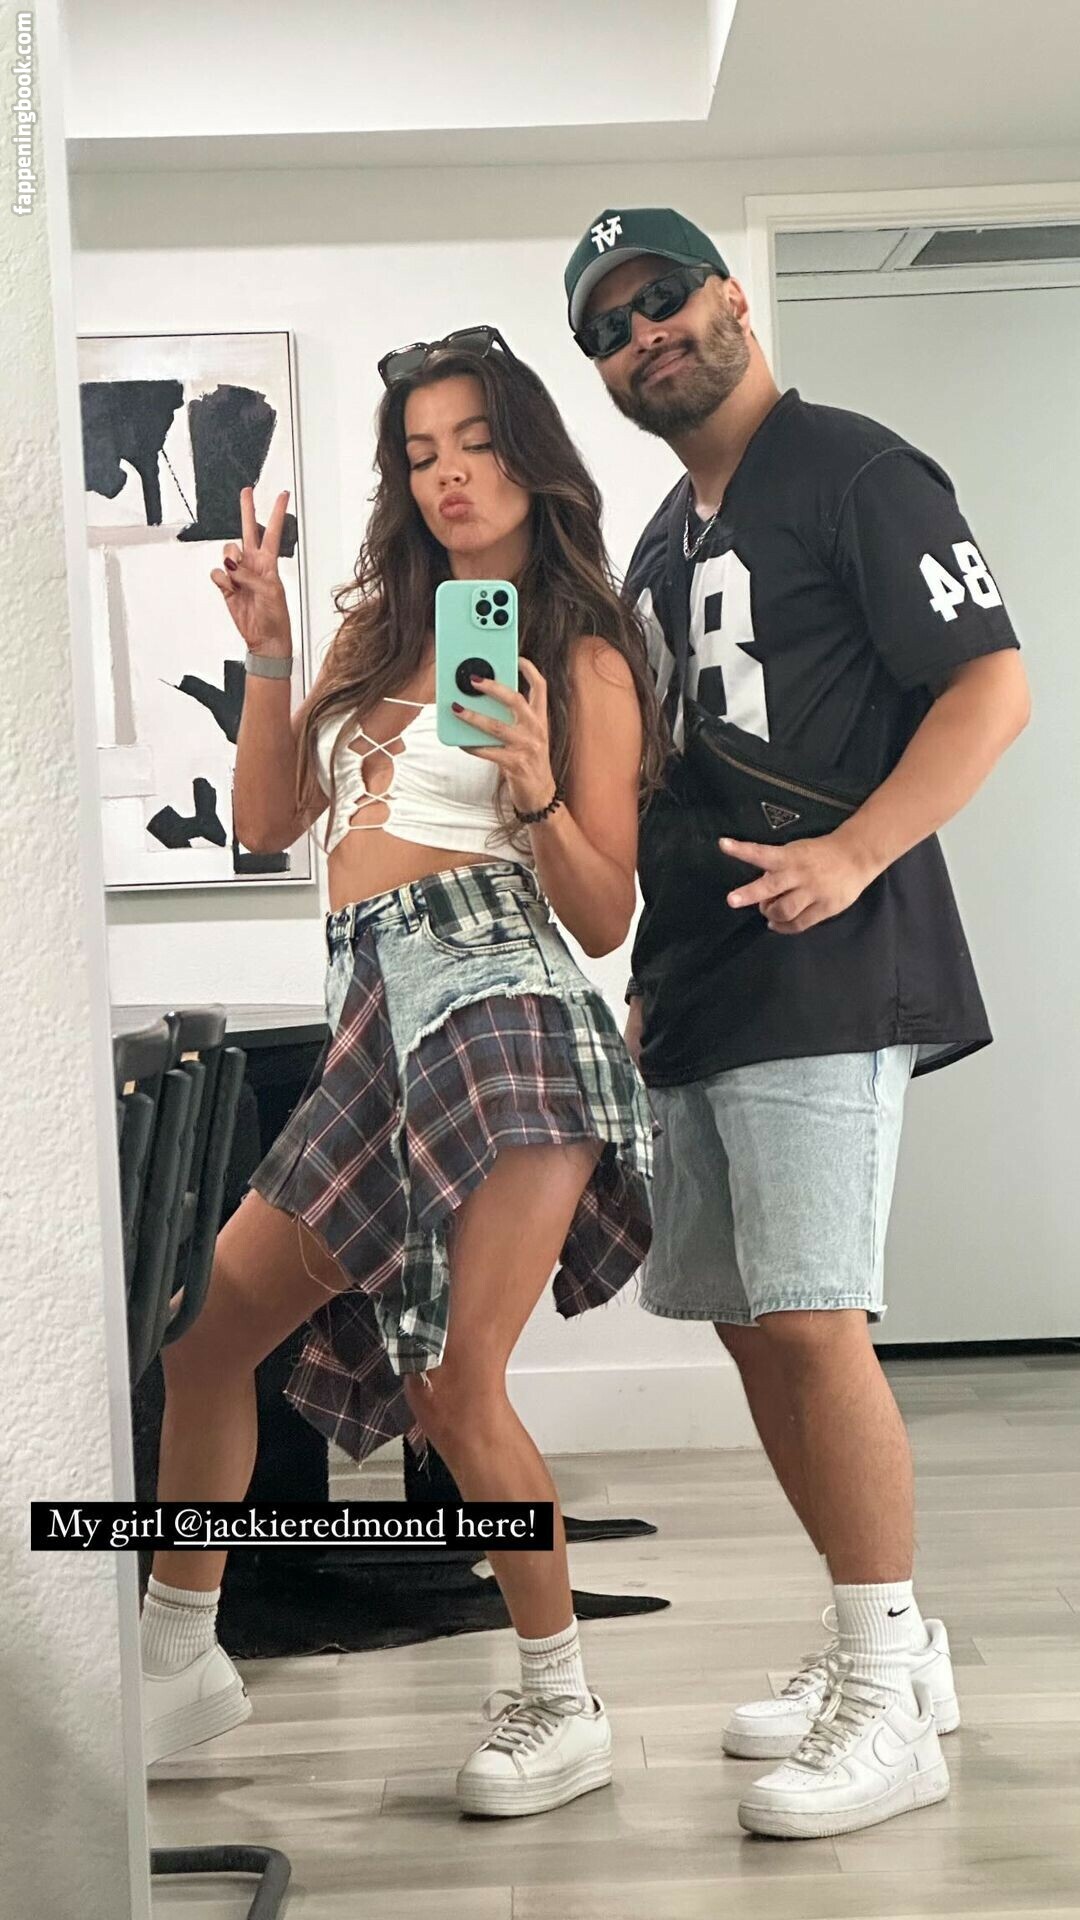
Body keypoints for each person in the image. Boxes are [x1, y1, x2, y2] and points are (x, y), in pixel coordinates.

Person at [139, 325, 667, 1819]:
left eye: (476, 444)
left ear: (532, 460)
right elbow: (264, 824)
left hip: (505, 1015)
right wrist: (268, 649)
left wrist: (538, 786)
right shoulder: (375, 638)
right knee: (205, 1339)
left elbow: (603, 915)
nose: (449, 476)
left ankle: (560, 1702)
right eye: (422, 453)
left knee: (453, 1380)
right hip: (371, 1018)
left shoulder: (580, 653)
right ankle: (180, 1653)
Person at [563, 207, 1031, 1839]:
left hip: (828, 963)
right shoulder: (655, 543)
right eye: (609, 327)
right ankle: (883, 1641)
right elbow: (667, 774)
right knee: (755, 1325)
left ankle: (888, 1693)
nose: (644, 335)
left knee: (816, 1318)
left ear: (731, 297)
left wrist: (856, 850)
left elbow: (991, 685)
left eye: (661, 298)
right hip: (705, 977)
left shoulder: (857, 470)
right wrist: (644, 966)